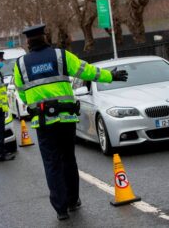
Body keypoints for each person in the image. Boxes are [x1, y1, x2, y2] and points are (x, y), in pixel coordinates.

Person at [13, 24, 128, 220]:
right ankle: (73, 200)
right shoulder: (60, 55)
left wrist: (32, 102)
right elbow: (86, 71)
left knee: (51, 164)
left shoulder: (21, 64)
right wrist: (111, 76)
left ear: (28, 42)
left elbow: (21, 91)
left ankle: (61, 209)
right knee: (68, 159)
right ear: (45, 37)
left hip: (43, 122)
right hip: (66, 119)